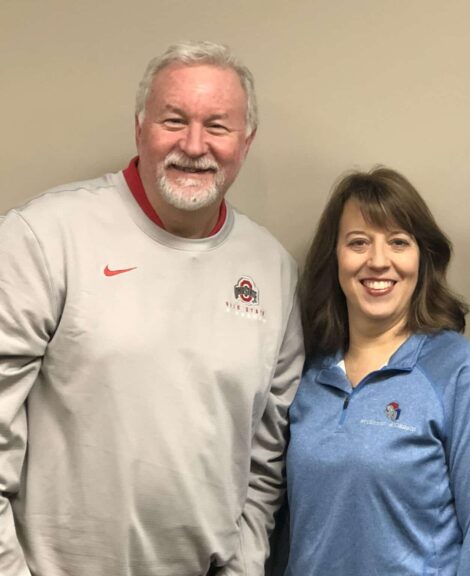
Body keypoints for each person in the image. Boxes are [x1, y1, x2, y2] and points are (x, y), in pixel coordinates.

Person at [0, 41, 303, 576]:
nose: (194, 144)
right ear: (139, 127)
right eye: (173, 120)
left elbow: (265, 462)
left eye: (217, 126)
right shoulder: (44, 237)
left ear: (246, 141)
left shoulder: (272, 271)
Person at [283, 168, 470, 575]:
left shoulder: (461, 374)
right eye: (358, 242)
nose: (378, 261)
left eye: (398, 242)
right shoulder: (306, 374)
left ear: (421, 259)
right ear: (334, 257)